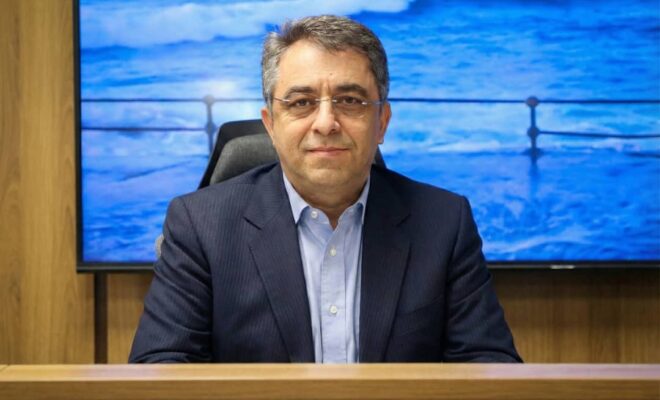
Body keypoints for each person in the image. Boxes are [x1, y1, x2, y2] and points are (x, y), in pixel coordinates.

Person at [129, 15, 521, 363]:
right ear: (270, 123)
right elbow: (162, 368)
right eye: (301, 102)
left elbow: (489, 367)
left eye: (350, 100)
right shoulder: (200, 225)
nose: (326, 123)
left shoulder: (443, 222)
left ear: (382, 122)